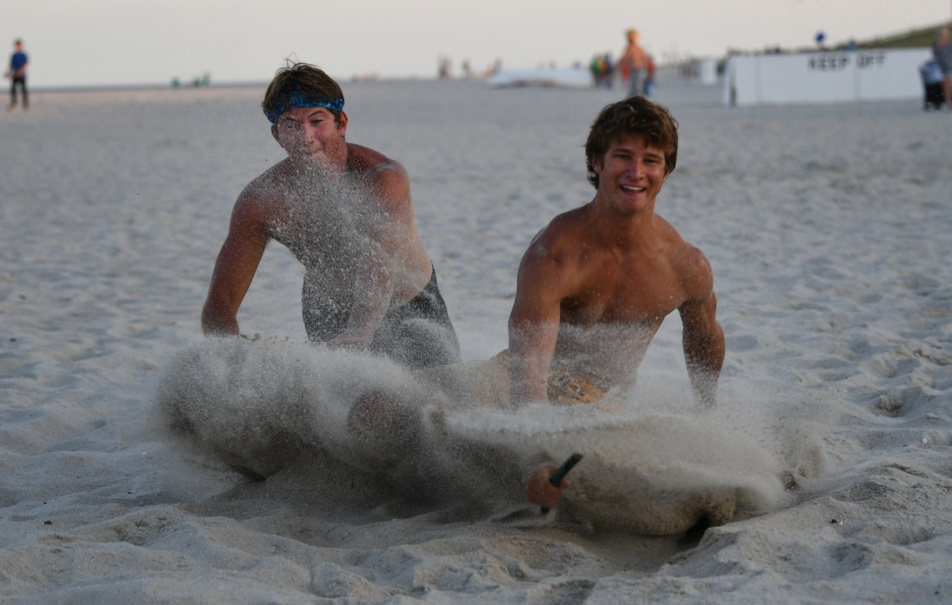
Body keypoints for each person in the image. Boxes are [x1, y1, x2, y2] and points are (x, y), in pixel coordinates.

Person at [511, 96, 725, 509]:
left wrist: (707, 414)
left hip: (609, 413)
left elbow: (704, 338)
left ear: (666, 171)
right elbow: (529, 368)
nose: (636, 172)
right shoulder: (555, 256)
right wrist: (537, 460)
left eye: (651, 161)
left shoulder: (684, 265)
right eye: (623, 156)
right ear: (597, 162)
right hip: (536, 406)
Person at [202, 62, 460, 369]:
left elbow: (379, 262)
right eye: (290, 125)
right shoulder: (261, 202)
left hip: (409, 303)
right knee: (342, 399)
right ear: (277, 135)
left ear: (341, 123)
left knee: (441, 392)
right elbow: (220, 303)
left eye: (317, 121)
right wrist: (227, 356)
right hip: (327, 310)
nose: (306, 136)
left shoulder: (382, 178)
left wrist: (360, 331)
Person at [932, 26, 952, 110]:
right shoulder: (937, 44)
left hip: (951, 67)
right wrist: (940, 45)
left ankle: (951, 101)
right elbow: (935, 55)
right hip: (941, 68)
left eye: (945, 34)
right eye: (942, 34)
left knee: (951, 84)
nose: (944, 36)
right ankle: (949, 101)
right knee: (945, 86)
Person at [619, 29, 648, 97]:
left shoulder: (630, 47)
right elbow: (644, 58)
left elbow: (625, 57)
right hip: (638, 68)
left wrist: (621, 63)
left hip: (635, 68)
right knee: (637, 84)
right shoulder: (639, 48)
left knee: (635, 84)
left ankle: (635, 97)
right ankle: (637, 96)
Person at [8, 38, 27, 111]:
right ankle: (14, 103)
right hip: (15, 75)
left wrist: (20, 71)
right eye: (17, 45)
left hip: (22, 76)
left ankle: (25, 104)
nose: (18, 47)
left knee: (24, 89)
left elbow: (25, 64)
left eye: (19, 45)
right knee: (13, 89)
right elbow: (11, 64)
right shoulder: (14, 55)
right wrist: (10, 72)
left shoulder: (23, 55)